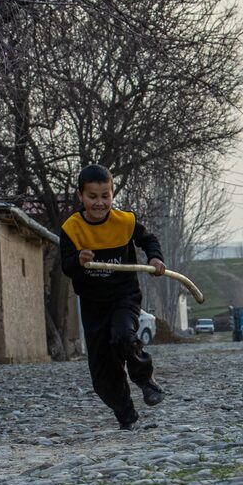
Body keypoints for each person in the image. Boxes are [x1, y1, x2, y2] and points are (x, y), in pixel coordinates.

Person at [58, 164, 169, 429]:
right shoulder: (71, 229)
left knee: (123, 337)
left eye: (105, 196)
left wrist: (155, 258)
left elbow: (149, 240)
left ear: (112, 193)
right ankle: (126, 417)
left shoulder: (125, 222)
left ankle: (146, 380)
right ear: (80, 196)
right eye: (93, 197)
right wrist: (78, 259)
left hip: (124, 298)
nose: (99, 203)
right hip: (93, 305)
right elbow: (66, 266)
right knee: (102, 373)